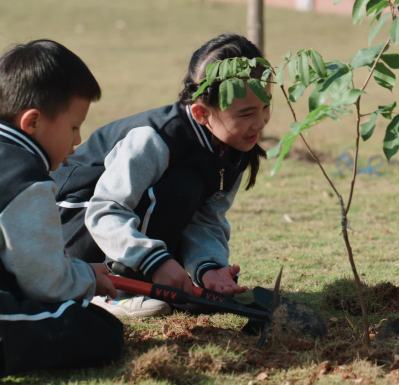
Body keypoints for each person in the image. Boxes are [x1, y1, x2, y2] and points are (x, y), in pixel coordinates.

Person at [51, 33, 270, 318]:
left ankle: (141, 278)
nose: (261, 122)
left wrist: (209, 268)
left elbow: (206, 218)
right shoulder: (154, 139)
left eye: (266, 107)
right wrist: (155, 263)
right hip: (70, 228)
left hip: (124, 232)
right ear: (202, 113)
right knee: (181, 186)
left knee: (184, 189)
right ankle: (118, 291)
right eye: (246, 113)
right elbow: (105, 211)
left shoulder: (233, 146)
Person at [0, 39, 123, 375]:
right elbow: (45, 281)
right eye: (73, 127)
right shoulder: (25, 180)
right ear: (32, 122)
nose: (78, 140)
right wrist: (87, 278)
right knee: (99, 329)